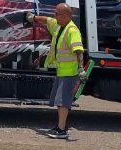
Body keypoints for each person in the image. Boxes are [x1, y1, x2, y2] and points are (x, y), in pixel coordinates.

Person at [25, 3, 87, 139]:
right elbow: (47, 20)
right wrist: (34, 17)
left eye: (57, 14)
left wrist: (81, 69)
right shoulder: (59, 26)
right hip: (61, 71)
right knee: (60, 101)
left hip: (69, 73)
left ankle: (61, 130)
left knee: (63, 101)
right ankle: (61, 126)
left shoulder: (72, 30)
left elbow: (79, 51)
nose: (55, 16)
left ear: (65, 16)